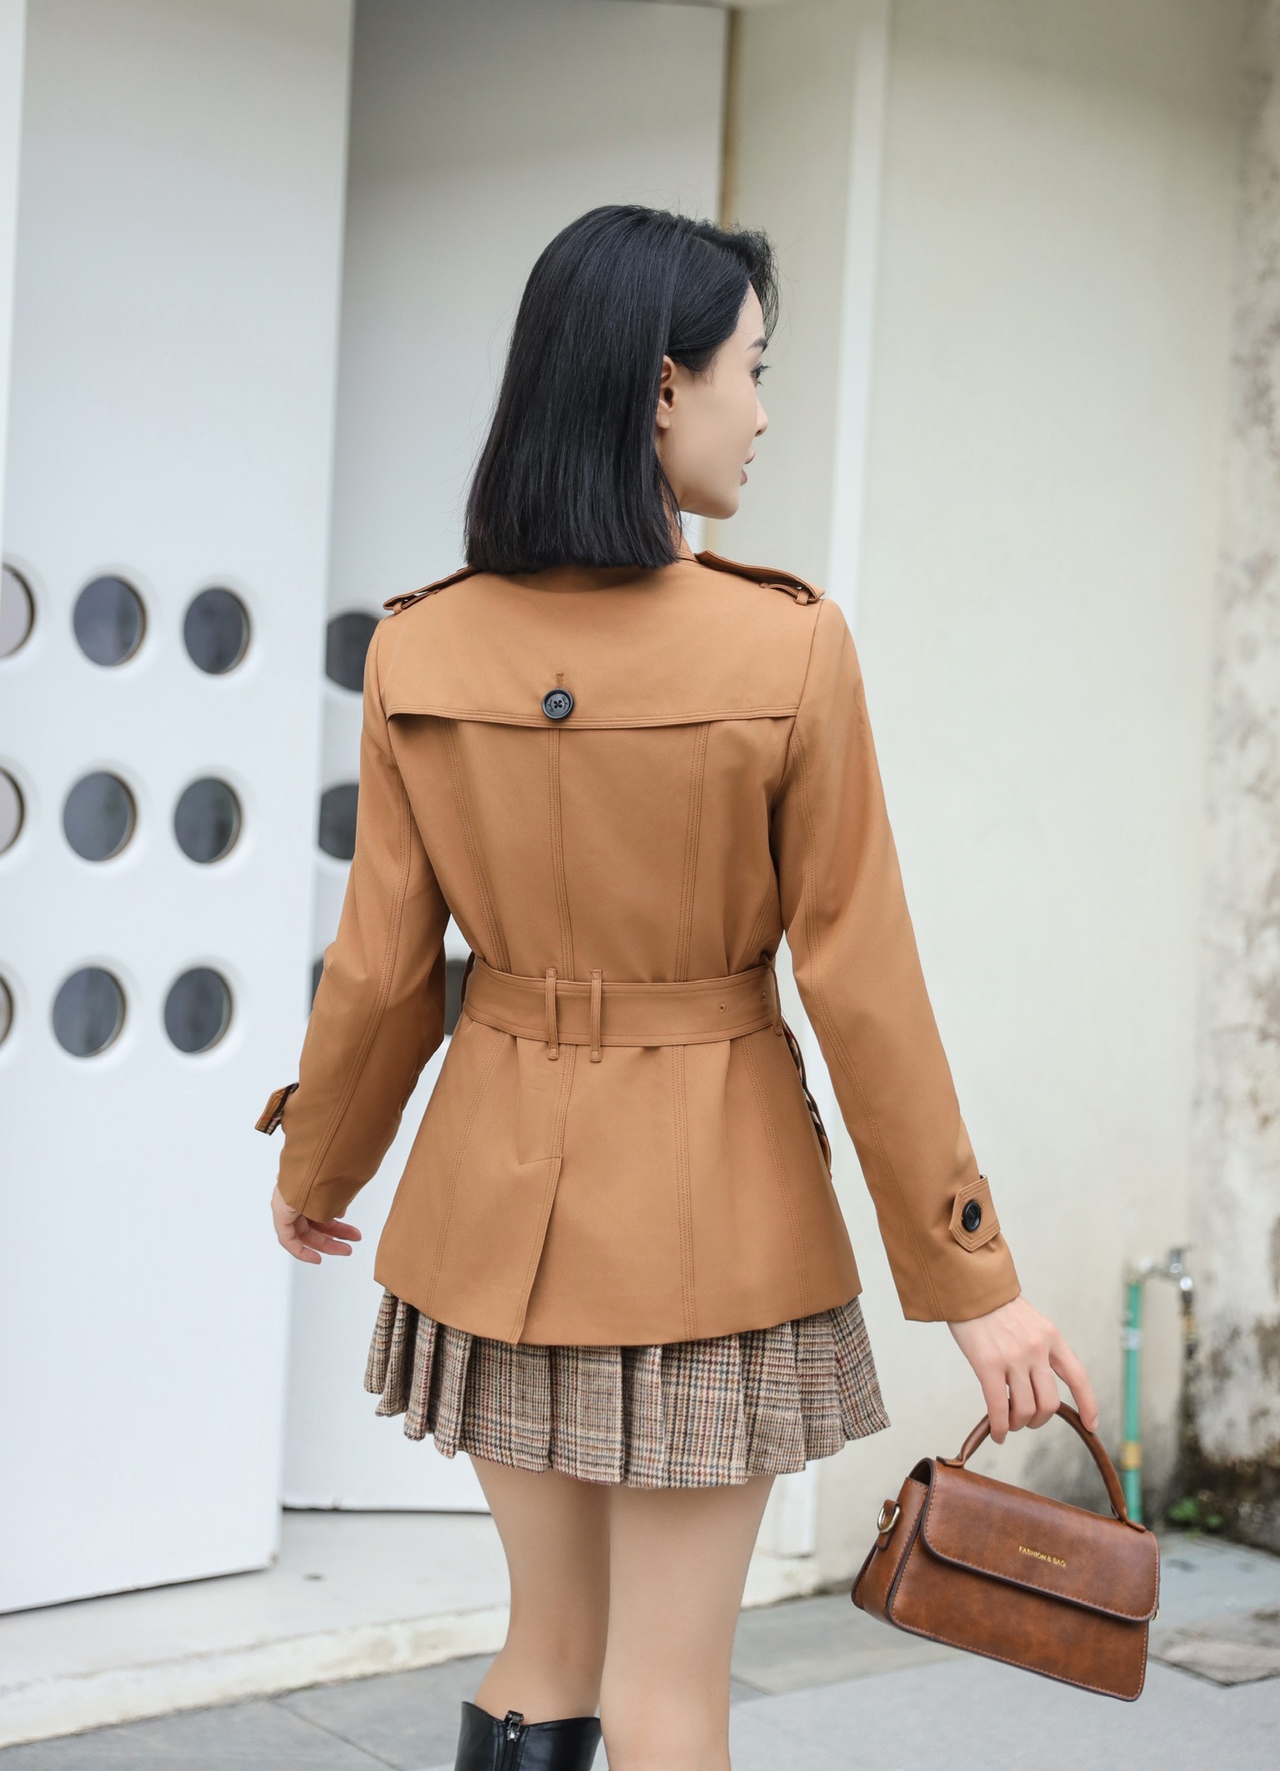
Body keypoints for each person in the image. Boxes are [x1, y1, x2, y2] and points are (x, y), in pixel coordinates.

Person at [261, 205, 1098, 1771]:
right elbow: (862, 986)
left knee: (544, 1650)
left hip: (493, 1229)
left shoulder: (420, 649)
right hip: (720, 1233)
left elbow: (381, 969)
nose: (763, 413)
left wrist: (320, 1167)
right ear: (664, 386)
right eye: (751, 370)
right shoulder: (789, 648)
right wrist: (975, 1281)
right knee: (669, 1694)